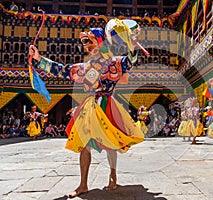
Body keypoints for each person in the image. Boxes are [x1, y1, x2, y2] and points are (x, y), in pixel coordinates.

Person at [29, 19, 145, 197]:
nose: (85, 47)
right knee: (84, 145)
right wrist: (38, 58)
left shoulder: (115, 63)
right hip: (89, 107)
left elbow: (131, 60)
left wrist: (131, 42)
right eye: (84, 43)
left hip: (106, 104)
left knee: (111, 144)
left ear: (100, 42)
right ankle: (83, 184)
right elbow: (62, 70)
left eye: (89, 42)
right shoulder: (84, 68)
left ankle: (113, 177)